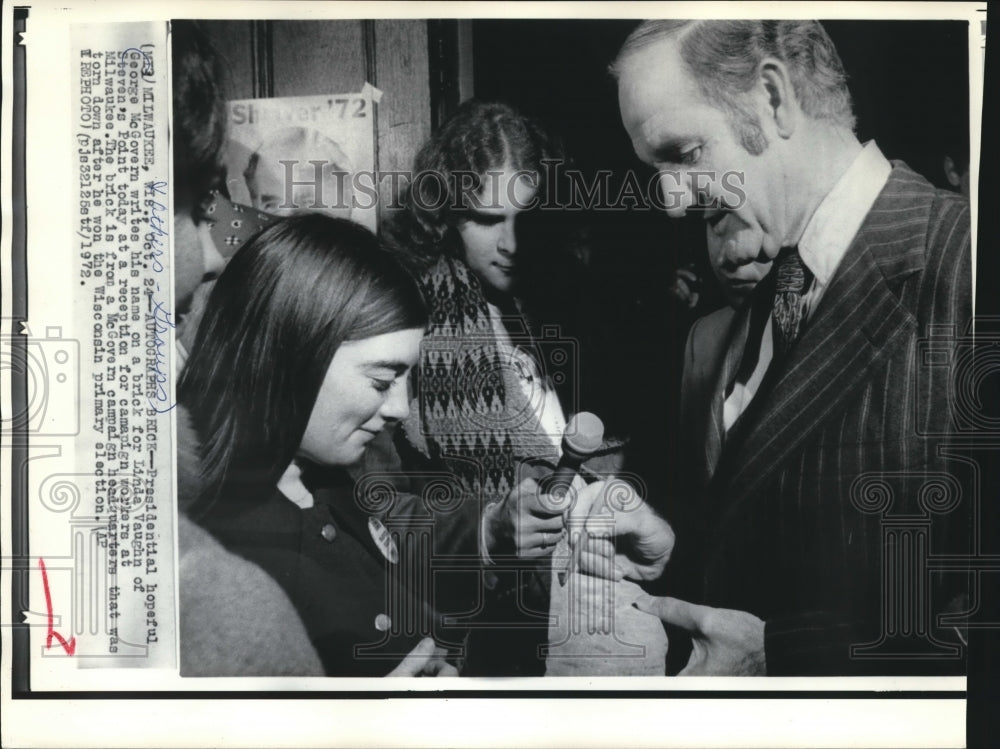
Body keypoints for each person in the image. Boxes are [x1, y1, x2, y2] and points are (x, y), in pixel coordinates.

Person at [596, 19, 972, 675]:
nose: (670, 199)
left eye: (681, 153)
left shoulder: (965, 261)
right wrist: (675, 550)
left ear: (772, 97)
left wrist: (785, 656)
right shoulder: (784, 287)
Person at [386, 100, 624, 674]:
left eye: (526, 217)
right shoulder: (425, 312)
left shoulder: (535, 300)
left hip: (565, 596)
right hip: (481, 621)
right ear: (445, 215)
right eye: (487, 219)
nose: (511, 242)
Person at [178, 213, 462, 677]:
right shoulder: (227, 550)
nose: (401, 408)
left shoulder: (325, 482)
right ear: (291, 357)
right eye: (381, 380)